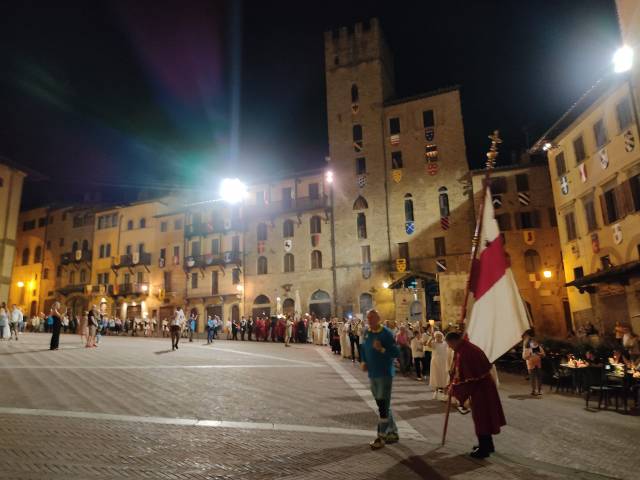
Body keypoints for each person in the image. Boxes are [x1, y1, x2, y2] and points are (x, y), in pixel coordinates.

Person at [445, 332, 506, 459]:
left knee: (481, 418)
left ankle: (484, 450)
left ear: (454, 341)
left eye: (449, 344)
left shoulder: (466, 352)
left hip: (481, 390)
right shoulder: (465, 348)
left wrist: (455, 389)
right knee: (484, 418)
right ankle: (488, 445)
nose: (449, 347)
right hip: (482, 388)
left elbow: (470, 379)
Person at [360, 309, 400, 450]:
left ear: (378, 318)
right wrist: (363, 361)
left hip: (385, 374)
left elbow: (396, 352)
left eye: (372, 318)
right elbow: (364, 348)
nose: (369, 321)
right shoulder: (366, 332)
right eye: (368, 318)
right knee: (381, 404)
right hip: (373, 374)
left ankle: (380, 437)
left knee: (382, 406)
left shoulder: (387, 333)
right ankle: (393, 432)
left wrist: (382, 349)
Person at [428, 331, 450, 400]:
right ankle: (436, 392)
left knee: (444, 377)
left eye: (439, 336)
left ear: (442, 337)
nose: (438, 338)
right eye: (436, 336)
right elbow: (428, 344)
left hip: (444, 362)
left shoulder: (445, 343)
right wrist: (431, 338)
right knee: (436, 376)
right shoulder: (434, 343)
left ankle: (445, 393)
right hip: (436, 362)